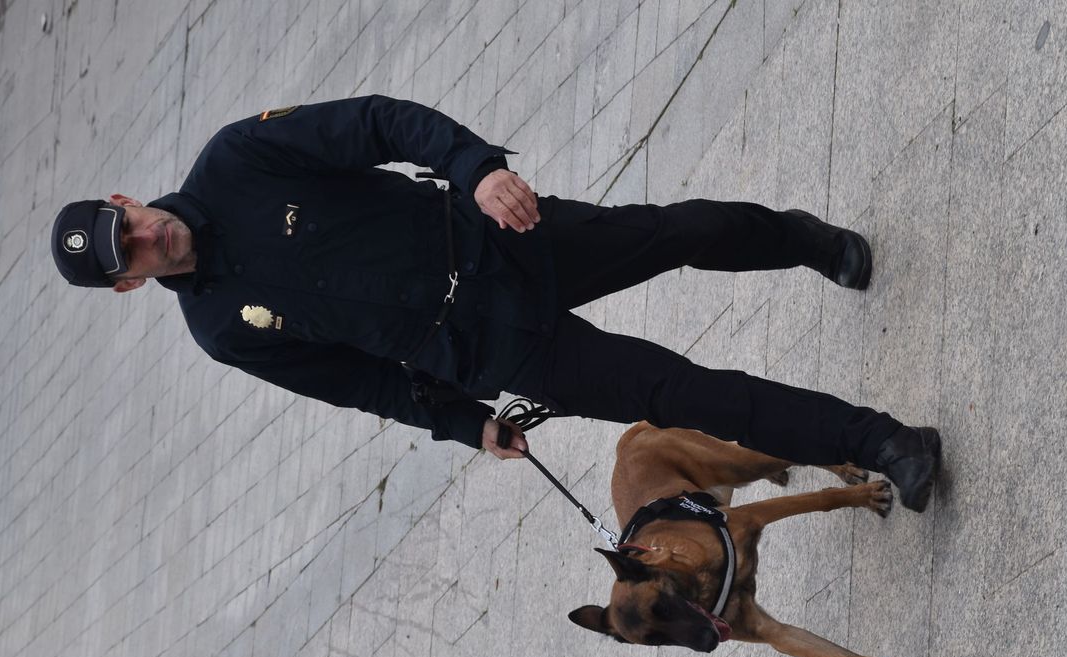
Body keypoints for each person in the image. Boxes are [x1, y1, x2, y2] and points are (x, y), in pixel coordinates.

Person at [50, 96, 941, 510]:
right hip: (489, 352)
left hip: (500, 239)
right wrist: (462, 423)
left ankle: (804, 241)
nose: (143, 240)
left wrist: (475, 170)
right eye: (125, 258)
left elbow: (379, 123)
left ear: (125, 200)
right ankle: (882, 443)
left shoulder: (235, 159)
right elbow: (356, 381)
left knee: (685, 233)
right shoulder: (217, 330)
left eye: (125, 224)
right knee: (688, 397)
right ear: (128, 286)